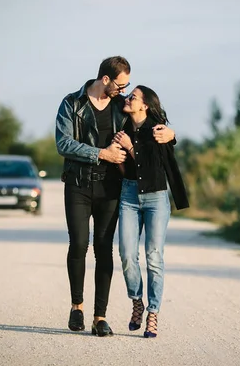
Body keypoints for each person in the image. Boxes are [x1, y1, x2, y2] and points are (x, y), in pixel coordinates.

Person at [55, 56, 176, 337]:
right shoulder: (72, 104)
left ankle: (100, 316)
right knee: (79, 244)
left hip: (111, 187)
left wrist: (172, 134)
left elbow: (148, 124)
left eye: (128, 86)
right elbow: (64, 143)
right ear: (105, 79)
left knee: (104, 249)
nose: (124, 90)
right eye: (121, 84)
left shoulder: (119, 109)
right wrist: (101, 154)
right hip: (78, 184)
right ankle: (77, 307)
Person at [112, 85, 189, 338]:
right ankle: (137, 302)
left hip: (156, 198)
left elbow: (164, 147)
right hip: (129, 195)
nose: (128, 98)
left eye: (133, 96)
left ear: (144, 105)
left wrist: (172, 134)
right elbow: (123, 168)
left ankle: (153, 313)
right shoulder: (121, 129)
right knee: (126, 253)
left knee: (154, 257)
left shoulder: (158, 130)